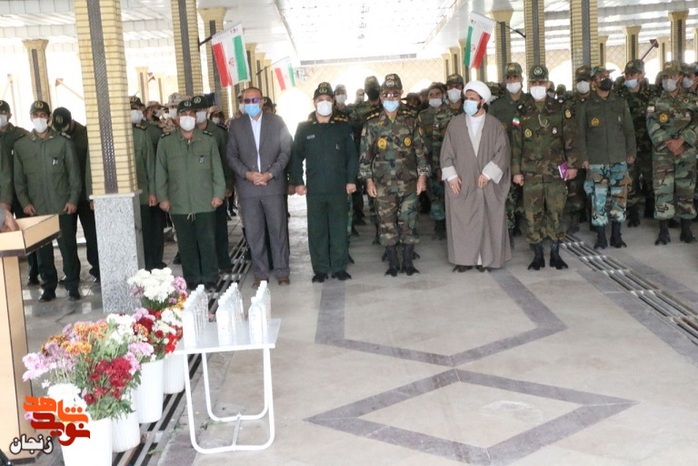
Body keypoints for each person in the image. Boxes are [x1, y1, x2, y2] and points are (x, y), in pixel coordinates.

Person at [359, 73, 430, 276]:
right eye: (386, 94)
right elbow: (365, 156)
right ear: (381, 96)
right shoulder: (372, 123)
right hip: (382, 184)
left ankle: (408, 262)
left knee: (409, 221)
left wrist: (422, 177)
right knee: (386, 223)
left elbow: (420, 152)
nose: (390, 98)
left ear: (401, 94)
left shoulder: (411, 120)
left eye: (395, 94)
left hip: (409, 183)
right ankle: (392, 264)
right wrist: (368, 181)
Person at [512, 65, 579, 271]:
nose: (537, 85)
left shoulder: (560, 109)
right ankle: (538, 254)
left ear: (548, 83)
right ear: (528, 84)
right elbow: (516, 144)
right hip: (531, 173)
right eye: (533, 82)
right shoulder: (521, 111)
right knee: (532, 214)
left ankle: (556, 253)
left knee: (556, 211)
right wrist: (516, 171)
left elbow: (570, 139)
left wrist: (573, 165)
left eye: (541, 82)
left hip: (555, 172)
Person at [289, 83, 358, 283]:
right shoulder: (304, 128)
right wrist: (298, 182)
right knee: (317, 230)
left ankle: (339, 267)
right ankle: (319, 269)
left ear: (333, 102)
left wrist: (351, 180)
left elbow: (351, 156)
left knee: (339, 229)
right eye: (320, 100)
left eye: (328, 99)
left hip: (338, 188)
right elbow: (296, 157)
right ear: (314, 103)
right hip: (315, 189)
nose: (324, 103)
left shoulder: (342, 127)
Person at [14, 100, 82, 301]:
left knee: (68, 248)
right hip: (37, 208)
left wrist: (73, 199)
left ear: (50, 118)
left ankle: (72, 285)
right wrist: (25, 203)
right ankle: (48, 287)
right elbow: (19, 180)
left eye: (43, 115)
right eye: (36, 115)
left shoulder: (63, 142)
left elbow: (74, 174)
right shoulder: (22, 146)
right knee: (43, 252)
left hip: (62, 206)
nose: (40, 119)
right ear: (30, 117)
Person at [440, 80, 511, 272]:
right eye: (467, 98)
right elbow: (446, 154)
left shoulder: (495, 125)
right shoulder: (455, 124)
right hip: (463, 182)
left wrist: (488, 173)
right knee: (463, 221)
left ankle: (485, 260)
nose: (468, 102)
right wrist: (451, 176)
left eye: (473, 99)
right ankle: (464, 260)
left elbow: (503, 153)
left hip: (486, 183)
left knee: (488, 221)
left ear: (482, 101)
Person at [155, 99, 226, 290]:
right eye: (184, 114)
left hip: (205, 201)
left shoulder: (208, 140)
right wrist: (163, 197)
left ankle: (210, 278)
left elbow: (217, 170)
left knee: (207, 242)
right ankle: (192, 279)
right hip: (179, 202)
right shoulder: (166, 143)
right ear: (177, 119)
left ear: (196, 117)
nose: (188, 118)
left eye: (191, 114)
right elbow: (160, 172)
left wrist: (218, 194)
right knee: (186, 245)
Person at [227, 86, 293, 287]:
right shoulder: (236, 125)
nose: (250, 104)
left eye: (254, 100)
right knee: (254, 233)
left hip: (272, 185)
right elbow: (231, 155)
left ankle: (282, 271)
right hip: (248, 188)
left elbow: (285, 151)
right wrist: (247, 174)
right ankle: (260, 273)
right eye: (246, 101)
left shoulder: (277, 122)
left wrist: (270, 173)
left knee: (278, 230)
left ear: (262, 101)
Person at [577, 66, 636, 249]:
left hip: (619, 158)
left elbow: (629, 130)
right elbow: (580, 134)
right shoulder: (586, 106)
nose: (605, 79)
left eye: (607, 76)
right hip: (596, 159)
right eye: (601, 77)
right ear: (593, 82)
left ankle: (617, 235)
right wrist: (584, 157)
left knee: (620, 197)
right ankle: (601, 236)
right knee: (598, 199)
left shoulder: (620, 102)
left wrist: (631, 152)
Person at [646, 60, 698, 245]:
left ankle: (686, 230)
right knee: (663, 190)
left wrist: (682, 141)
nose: (669, 79)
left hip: (686, 152)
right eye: (666, 76)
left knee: (686, 190)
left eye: (673, 76)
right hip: (663, 154)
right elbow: (652, 125)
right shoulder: (655, 101)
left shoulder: (692, 100)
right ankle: (663, 231)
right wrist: (669, 144)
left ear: (680, 77)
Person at [51, 107, 101, 282]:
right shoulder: (53, 137)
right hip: (65, 197)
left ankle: (97, 269)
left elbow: (92, 167)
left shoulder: (85, 135)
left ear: (71, 121)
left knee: (92, 235)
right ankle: (71, 273)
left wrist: (92, 194)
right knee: (66, 239)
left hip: (84, 196)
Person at [489, 62, 533, 242]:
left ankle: (528, 227)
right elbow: (491, 134)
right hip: (506, 159)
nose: (512, 81)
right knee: (508, 196)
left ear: (521, 78)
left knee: (529, 196)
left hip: (530, 157)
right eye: (509, 78)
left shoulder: (531, 101)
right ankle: (509, 230)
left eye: (515, 77)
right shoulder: (497, 106)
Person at [191, 95, 234, 274]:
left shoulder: (218, 132)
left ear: (207, 111)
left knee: (219, 227)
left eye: (201, 110)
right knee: (199, 229)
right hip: (197, 189)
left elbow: (226, 160)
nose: (198, 114)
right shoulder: (188, 131)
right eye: (195, 111)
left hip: (216, 186)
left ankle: (223, 260)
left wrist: (228, 185)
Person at [616, 59, 657, 227]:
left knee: (650, 178)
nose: (629, 77)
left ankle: (651, 207)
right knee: (629, 180)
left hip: (647, 145)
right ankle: (633, 213)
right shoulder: (619, 95)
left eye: (632, 74)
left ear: (642, 75)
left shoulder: (651, 94)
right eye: (627, 74)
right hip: (627, 147)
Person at [0, 99, 35, 284]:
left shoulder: (21, 135)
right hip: (3, 195)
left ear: (9, 115)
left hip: (22, 192)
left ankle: (34, 271)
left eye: (2, 113)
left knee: (26, 231)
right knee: (5, 232)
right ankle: (9, 275)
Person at [417, 81, 456, 239]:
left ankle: (453, 225)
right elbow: (420, 138)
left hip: (450, 159)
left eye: (437, 94)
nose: (434, 97)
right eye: (431, 95)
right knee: (435, 194)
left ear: (443, 95)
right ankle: (439, 226)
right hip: (430, 159)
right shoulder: (422, 115)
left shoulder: (451, 113)